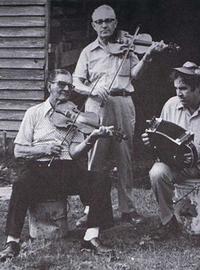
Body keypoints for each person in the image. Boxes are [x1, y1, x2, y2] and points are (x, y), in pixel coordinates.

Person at [0, 69, 115, 262]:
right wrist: (43, 149)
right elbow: (18, 151)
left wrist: (91, 139)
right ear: (49, 86)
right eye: (61, 84)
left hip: (67, 170)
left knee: (101, 179)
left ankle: (91, 237)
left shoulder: (74, 116)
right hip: (39, 170)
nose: (66, 89)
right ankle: (12, 242)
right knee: (20, 183)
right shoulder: (34, 113)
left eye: (69, 85)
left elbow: (73, 153)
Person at [73, 4, 166, 225]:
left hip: (123, 101)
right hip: (96, 105)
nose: (105, 25)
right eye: (100, 22)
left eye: (109, 20)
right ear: (93, 25)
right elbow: (76, 82)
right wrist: (92, 90)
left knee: (125, 155)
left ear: (115, 22)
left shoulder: (127, 47)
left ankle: (128, 209)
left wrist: (147, 56)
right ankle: (90, 209)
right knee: (94, 156)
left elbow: (135, 74)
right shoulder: (88, 52)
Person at [142, 61, 200, 239]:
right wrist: (150, 140)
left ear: (198, 88)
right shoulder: (171, 105)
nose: (178, 93)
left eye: (183, 88)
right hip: (178, 166)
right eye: (176, 88)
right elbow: (162, 140)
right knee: (157, 172)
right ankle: (168, 222)